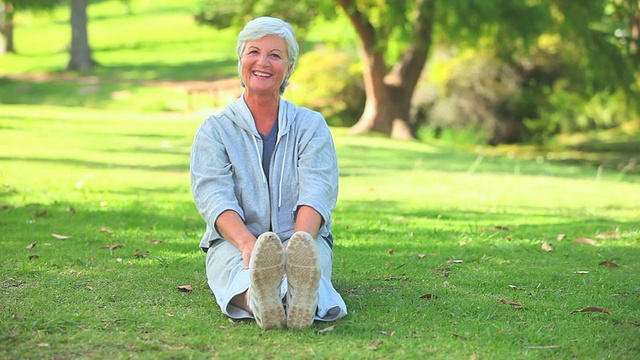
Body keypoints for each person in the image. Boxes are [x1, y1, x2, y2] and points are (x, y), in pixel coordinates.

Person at [190, 16, 348, 329]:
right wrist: (249, 245)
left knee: (305, 265)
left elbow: (318, 190)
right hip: (234, 241)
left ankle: (295, 295)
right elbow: (213, 195)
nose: (263, 62)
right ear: (240, 60)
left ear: (288, 68)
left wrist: (298, 242)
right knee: (237, 273)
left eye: (275, 55)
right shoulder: (215, 130)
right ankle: (261, 300)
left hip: (305, 237)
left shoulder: (310, 126)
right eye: (254, 52)